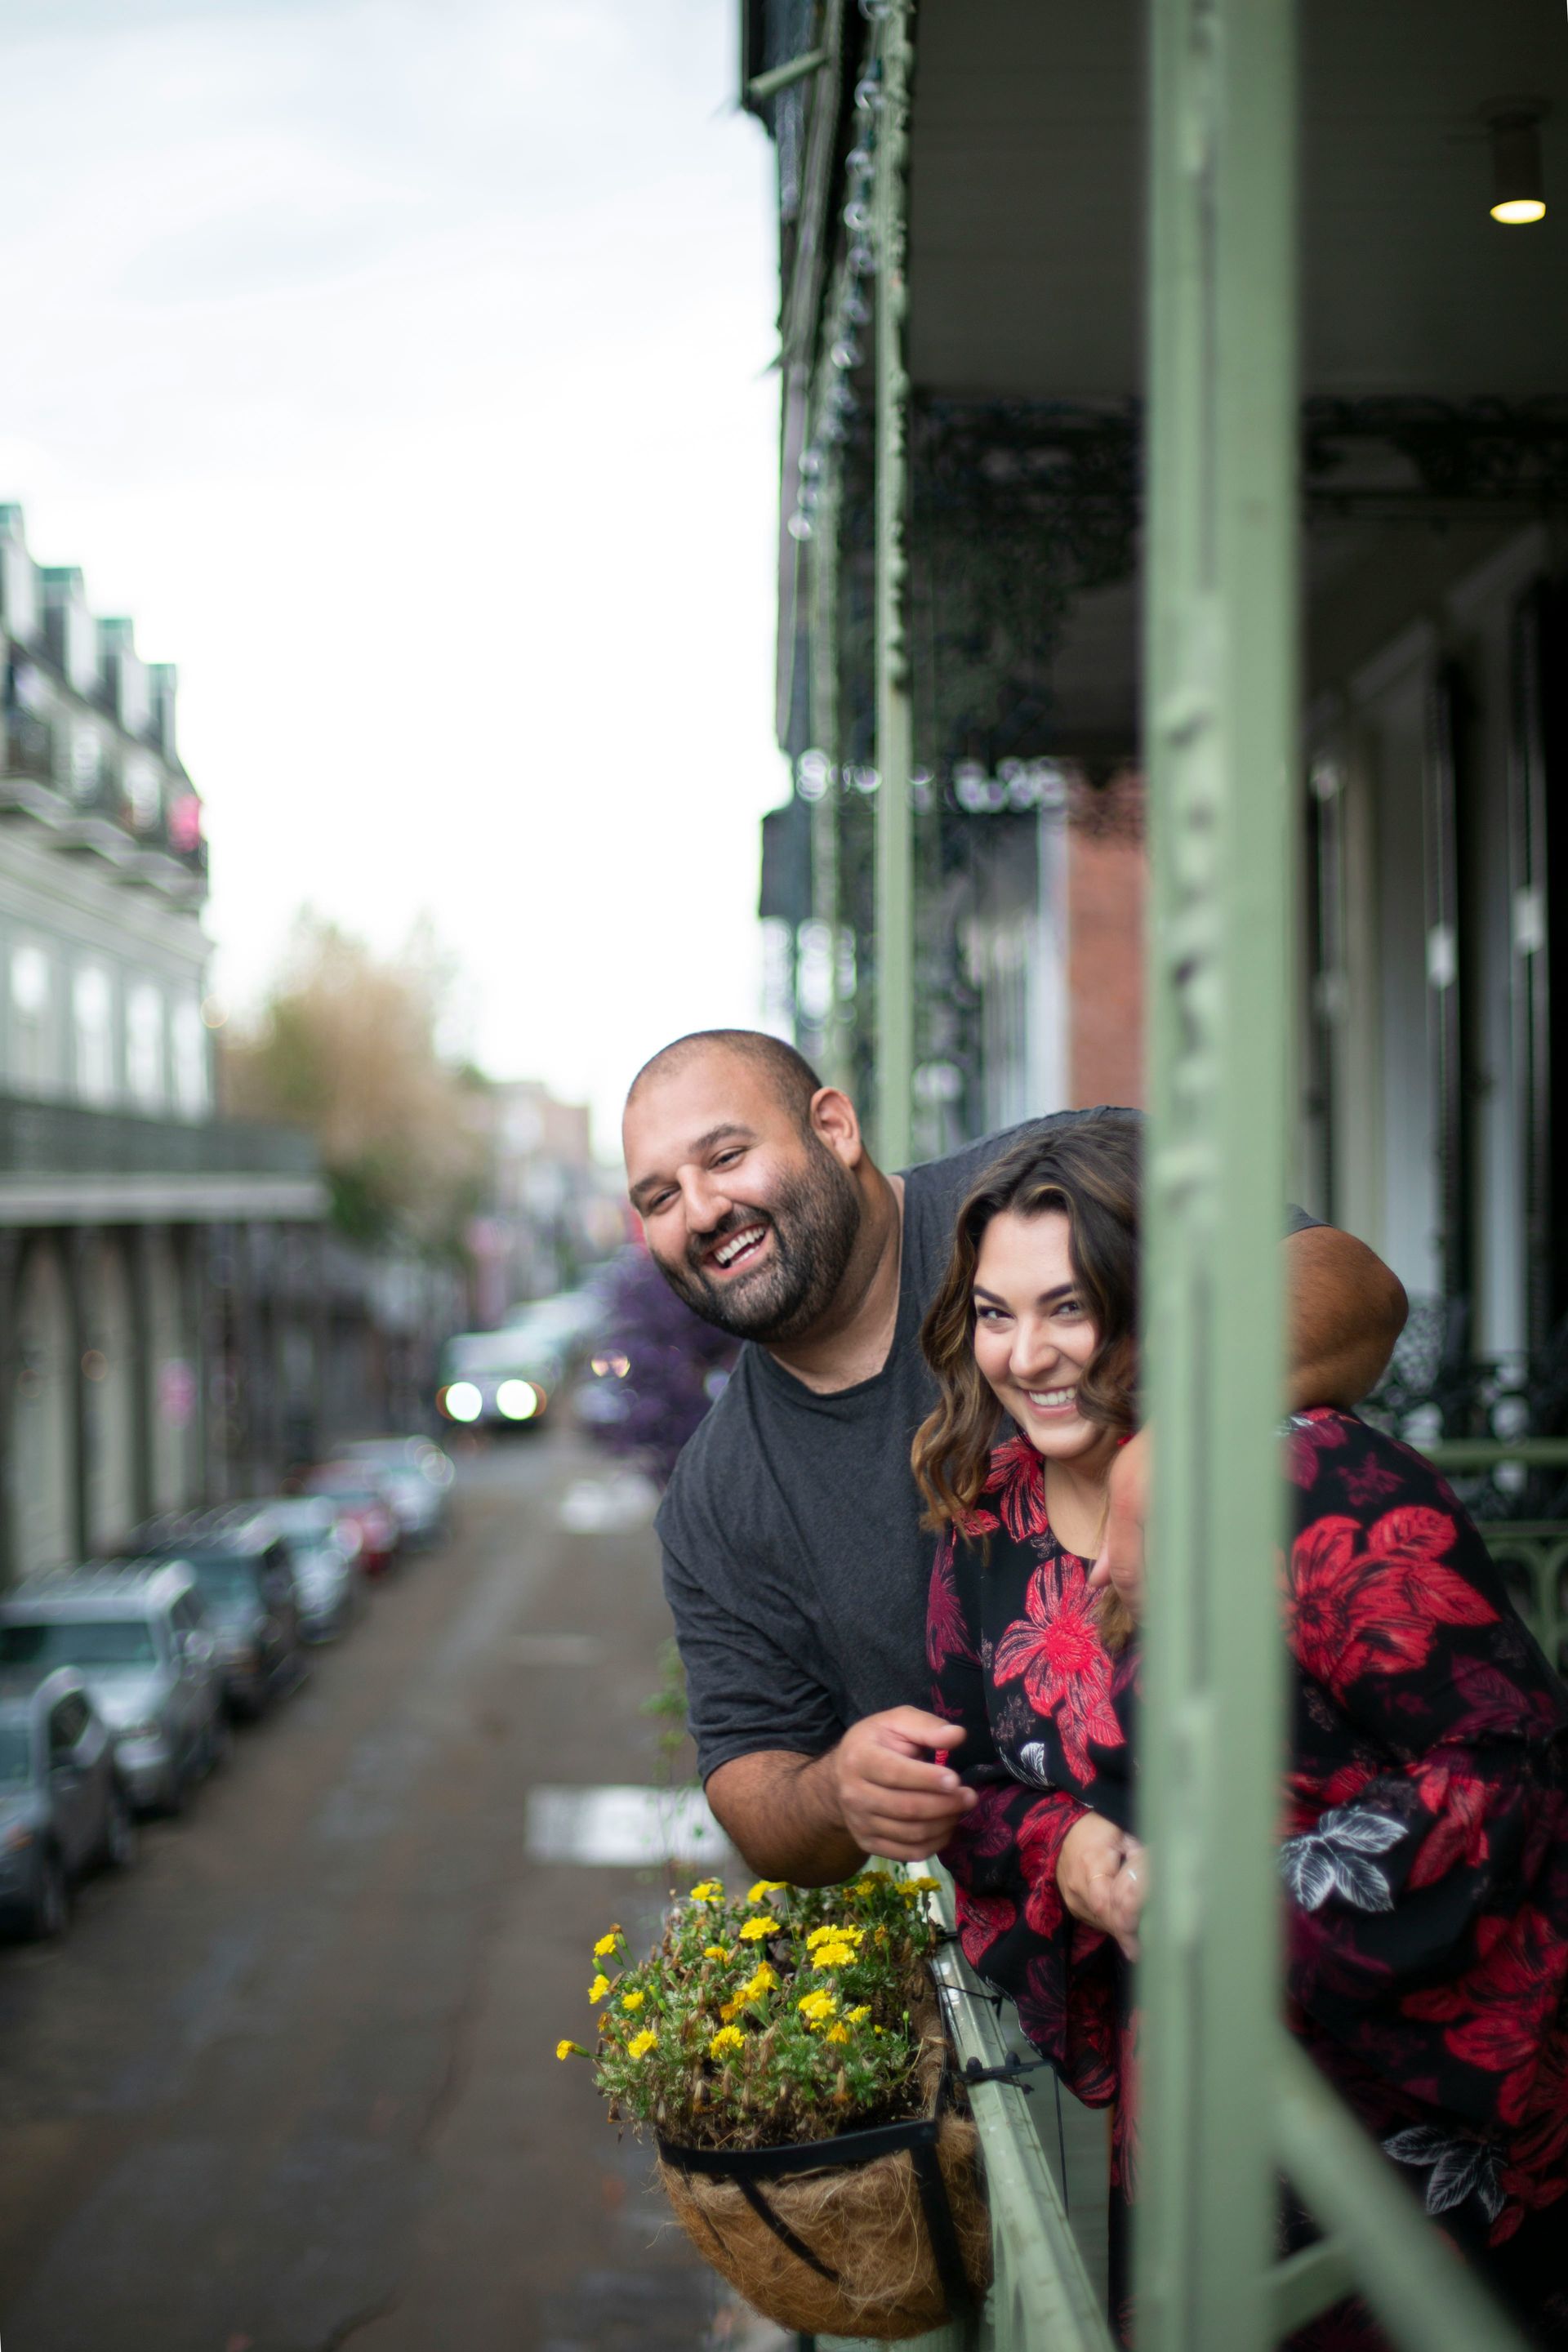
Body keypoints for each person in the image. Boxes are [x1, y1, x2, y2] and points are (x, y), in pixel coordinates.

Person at [917, 1118, 1568, 2349]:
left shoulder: (1314, 1480)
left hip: (1415, 2117)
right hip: (1192, 2124)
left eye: (1070, 1306)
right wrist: (1066, 1852)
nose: (1031, 1354)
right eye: (997, 1316)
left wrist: (1240, 1904)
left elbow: (1505, 1760)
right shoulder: (985, 1534)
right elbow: (983, 1784)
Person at [621, 1027, 1407, 1882]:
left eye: (727, 1156)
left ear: (836, 1127)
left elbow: (1351, 1286)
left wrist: (1186, 1434)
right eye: (659, 1199)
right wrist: (834, 1793)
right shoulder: (716, 1500)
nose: (701, 1212)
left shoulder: (1054, 1187)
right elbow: (752, 1771)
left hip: (1368, 1839)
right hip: (1089, 1942)